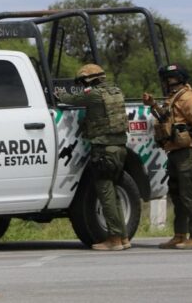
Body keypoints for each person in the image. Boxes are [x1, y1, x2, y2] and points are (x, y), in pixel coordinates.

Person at [58, 64, 130, 251]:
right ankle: (123, 237)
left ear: (88, 80)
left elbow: (68, 99)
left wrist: (57, 93)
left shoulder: (93, 94)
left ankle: (114, 239)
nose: (82, 85)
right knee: (113, 194)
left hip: (104, 150)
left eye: (82, 81)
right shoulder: (116, 91)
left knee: (105, 195)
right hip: (120, 148)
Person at [143, 63, 192, 250]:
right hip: (173, 151)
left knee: (188, 195)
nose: (166, 82)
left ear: (178, 78)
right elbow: (166, 118)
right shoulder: (173, 98)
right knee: (177, 195)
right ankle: (180, 235)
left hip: (186, 152)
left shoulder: (188, 99)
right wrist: (153, 104)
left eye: (169, 78)